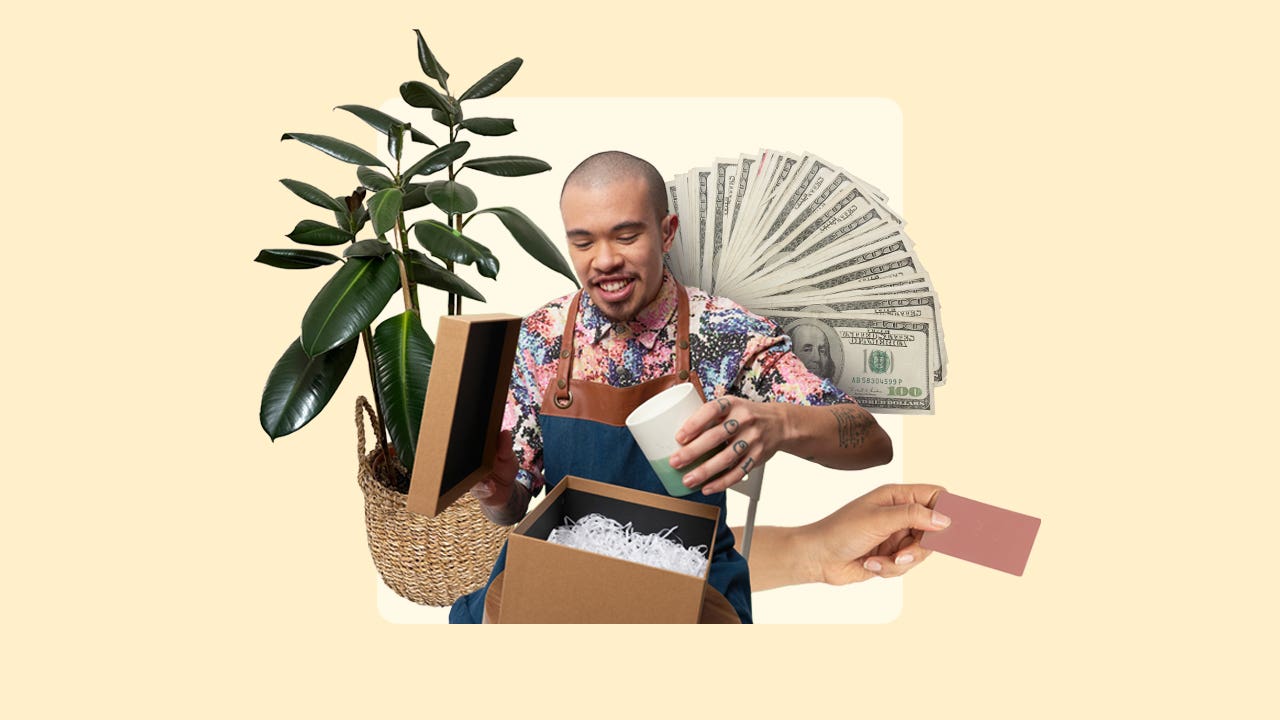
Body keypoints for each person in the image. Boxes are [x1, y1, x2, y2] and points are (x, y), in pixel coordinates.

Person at [450, 151, 927, 624]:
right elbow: (514, 506)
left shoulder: (723, 333)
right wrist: (494, 491)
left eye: (627, 235)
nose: (605, 260)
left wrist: (781, 423)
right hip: (561, 577)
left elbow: (870, 440)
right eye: (583, 242)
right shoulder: (540, 337)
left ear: (667, 231)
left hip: (692, 587)